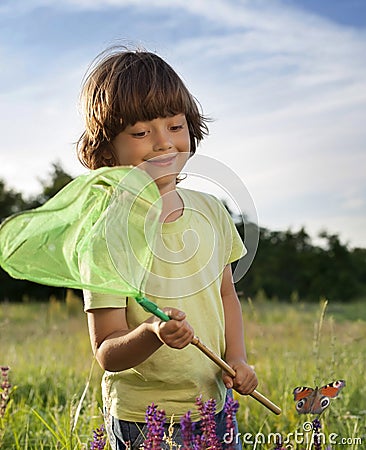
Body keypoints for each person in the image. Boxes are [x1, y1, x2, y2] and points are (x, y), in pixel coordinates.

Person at [77, 47, 258, 449]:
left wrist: (238, 358)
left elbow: (227, 294)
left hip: (214, 406)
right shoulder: (106, 236)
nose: (164, 143)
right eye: (141, 133)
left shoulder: (212, 211)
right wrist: (151, 333)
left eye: (176, 126)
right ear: (108, 150)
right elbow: (107, 350)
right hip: (144, 418)